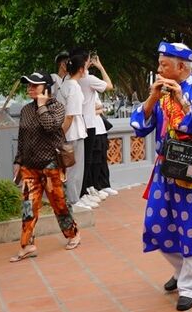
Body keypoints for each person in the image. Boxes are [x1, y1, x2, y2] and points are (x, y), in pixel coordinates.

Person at [130, 42, 192, 311]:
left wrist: (182, 100)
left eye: (164, 65)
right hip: (164, 169)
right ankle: (182, 271)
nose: (158, 69)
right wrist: (151, 98)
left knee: (191, 227)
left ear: (181, 67)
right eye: (159, 64)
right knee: (156, 225)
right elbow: (139, 127)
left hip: (191, 170)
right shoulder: (160, 93)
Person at [11, 71, 81, 262]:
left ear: (46, 88)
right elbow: (22, 138)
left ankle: (73, 234)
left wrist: (42, 106)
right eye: (29, 85)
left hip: (51, 164)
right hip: (29, 167)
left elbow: (51, 126)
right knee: (28, 206)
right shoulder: (25, 110)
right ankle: (27, 244)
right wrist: (18, 160)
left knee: (59, 203)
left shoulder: (57, 107)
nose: (30, 88)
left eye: (35, 85)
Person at [75, 51, 115, 203]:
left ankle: (85, 190)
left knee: (84, 161)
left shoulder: (70, 81)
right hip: (89, 125)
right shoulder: (88, 79)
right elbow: (110, 85)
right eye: (87, 62)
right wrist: (100, 67)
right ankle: (83, 193)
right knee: (86, 161)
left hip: (80, 125)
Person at [55, 54, 94, 209]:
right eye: (85, 66)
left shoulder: (64, 85)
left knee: (69, 169)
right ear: (80, 69)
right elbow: (70, 117)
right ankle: (74, 200)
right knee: (75, 169)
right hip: (73, 134)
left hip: (68, 132)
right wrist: (60, 135)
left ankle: (72, 198)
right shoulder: (74, 88)